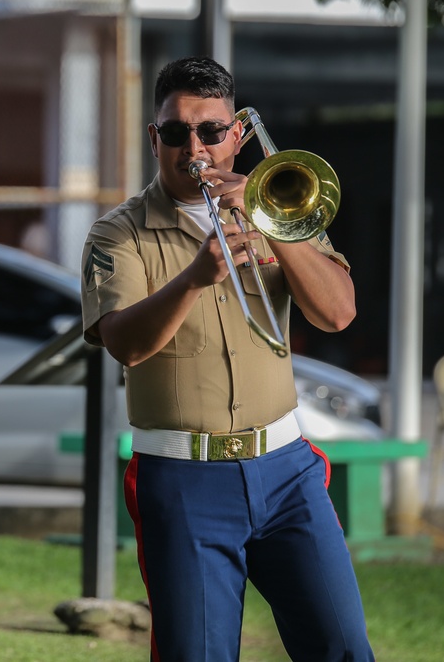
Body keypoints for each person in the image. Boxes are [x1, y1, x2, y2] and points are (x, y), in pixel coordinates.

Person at [80, 56, 374, 661]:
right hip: (185, 478)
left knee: (342, 647)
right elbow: (125, 344)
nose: (196, 147)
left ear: (237, 136)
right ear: (153, 139)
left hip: (287, 469)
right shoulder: (117, 234)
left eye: (211, 131)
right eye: (176, 132)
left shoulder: (282, 208)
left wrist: (272, 226)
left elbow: (338, 312)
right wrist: (196, 276)